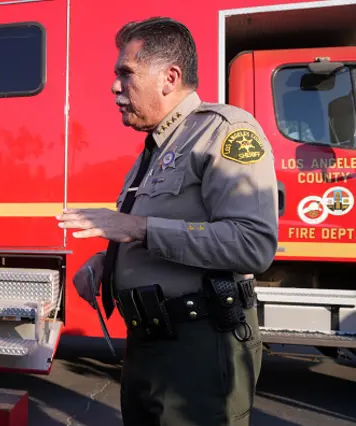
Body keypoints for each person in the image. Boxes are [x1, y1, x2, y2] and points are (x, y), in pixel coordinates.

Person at [57, 17, 278, 426]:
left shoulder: (225, 131)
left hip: (200, 343)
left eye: (126, 73)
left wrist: (138, 229)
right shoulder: (155, 148)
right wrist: (109, 264)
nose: (114, 86)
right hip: (149, 342)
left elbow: (253, 244)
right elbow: (160, 232)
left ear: (169, 77)